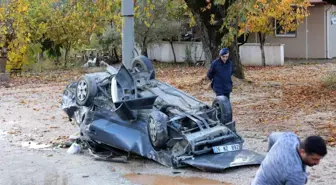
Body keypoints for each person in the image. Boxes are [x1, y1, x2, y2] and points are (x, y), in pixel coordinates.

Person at [251, 132, 327, 185]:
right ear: (302, 151)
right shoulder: (296, 174)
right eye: (314, 159)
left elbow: (272, 136)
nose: (318, 163)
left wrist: (270, 155)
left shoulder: (289, 137)